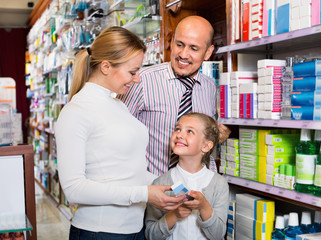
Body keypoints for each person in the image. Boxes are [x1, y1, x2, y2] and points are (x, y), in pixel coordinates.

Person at [55, 26, 185, 240]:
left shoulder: (118, 105)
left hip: (134, 229)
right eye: (132, 72)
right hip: (99, 232)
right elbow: (74, 189)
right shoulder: (76, 112)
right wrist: (144, 194)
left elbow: (130, 170)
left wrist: (177, 187)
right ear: (106, 66)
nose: (137, 79)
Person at [121, 15, 231, 176]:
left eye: (194, 48)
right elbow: (116, 134)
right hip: (152, 189)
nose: (183, 55)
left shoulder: (209, 87)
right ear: (171, 42)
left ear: (208, 52)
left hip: (195, 191)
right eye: (179, 45)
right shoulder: (142, 80)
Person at [145, 112, 229, 240]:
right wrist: (173, 215)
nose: (179, 134)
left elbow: (218, 235)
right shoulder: (160, 183)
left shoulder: (219, 184)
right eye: (177, 129)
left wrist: (204, 206)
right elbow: (151, 235)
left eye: (190, 131)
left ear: (206, 146)